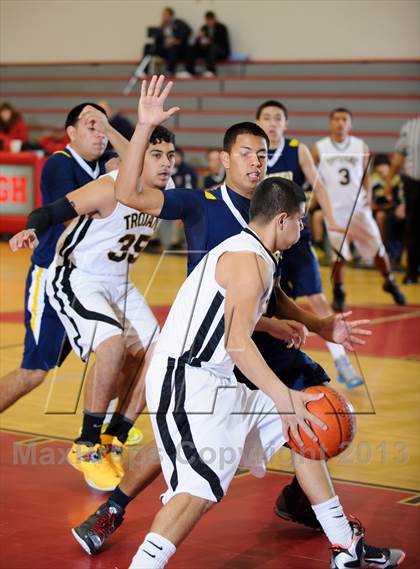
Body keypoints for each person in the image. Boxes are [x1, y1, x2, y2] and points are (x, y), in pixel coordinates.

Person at [72, 76, 377, 556]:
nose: (256, 160)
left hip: (255, 340)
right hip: (210, 347)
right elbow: (130, 195)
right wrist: (143, 128)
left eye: (262, 152)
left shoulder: (275, 208)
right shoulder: (200, 203)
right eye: (246, 152)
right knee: (186, 440)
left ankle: (307, 504)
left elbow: (269, 293)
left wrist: (319, 324)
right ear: (224, 158)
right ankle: (113, 506)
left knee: (315, 405)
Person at [9, 123, 178, 492]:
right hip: (76, 276)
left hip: (120, 282)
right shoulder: (110, 185)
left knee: (160, 354)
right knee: (111, 346)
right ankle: (85, 446)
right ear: (138, 156)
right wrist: (32, 231)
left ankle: (113, 439)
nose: (166, 163)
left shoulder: (169, 192)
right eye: (155, 155)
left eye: (170, 155)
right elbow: (50, 211)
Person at [0, 102, 127, 414]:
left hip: (92, 278)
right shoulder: (60, 164)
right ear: (71, 133)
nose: (99, 134)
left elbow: (140, 164)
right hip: (53, 276)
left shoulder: (109, 162)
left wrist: (117, 149)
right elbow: (73, 218)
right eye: (91, 126)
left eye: (103, 127)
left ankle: (103, 428)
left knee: (124, 352)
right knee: (34, 372)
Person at [256, 100, 363, 389]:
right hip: (264, 242)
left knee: (316, 297)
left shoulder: (297, 149)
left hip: (296, 239)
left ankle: (342, 362)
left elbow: (319, 184)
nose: (273, 123)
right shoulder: (254, 154)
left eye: (278, 118)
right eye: (267, 118)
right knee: (264, 305)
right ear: (258, 123)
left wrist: (330, 220)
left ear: (285, 124)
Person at [312, 108, 406, 310]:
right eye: (336, 119)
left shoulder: (359, 145)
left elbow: (365, 175)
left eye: (344, 119)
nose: (340, 123)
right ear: (330, 123)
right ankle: (339, 291)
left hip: (358, 208)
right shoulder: (319, 148)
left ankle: (389, 281)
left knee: (378, 248)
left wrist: (369, 195)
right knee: (339, 255)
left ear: (350, 124)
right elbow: (313, 176)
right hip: (334, 210)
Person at [384, 116, 420, 284]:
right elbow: (398, 158)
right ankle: (412, 272)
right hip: (414, 183)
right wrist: (389, 182)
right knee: (413, 228)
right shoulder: (410, 126)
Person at [371, 154, 405, 267]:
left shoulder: (398, 179)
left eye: (383, 166)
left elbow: (397, 202)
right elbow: (373, 203)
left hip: (398, 211)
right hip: (383, 211)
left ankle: (395, 254)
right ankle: (383, 251)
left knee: (393, 218)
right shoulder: (374, 180)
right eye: (378, 167)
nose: (380, 169)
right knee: (382, 216)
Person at [143, 7, 192, 77]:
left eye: (166, 15)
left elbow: (187, 32)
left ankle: (169, 70)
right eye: (163, 15)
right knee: (147, 46)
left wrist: (175, 40)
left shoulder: (178, 23)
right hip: (163, 48)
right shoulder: (162, 26)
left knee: (173, 48)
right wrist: (161, 27)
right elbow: (157, 40)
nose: (164, 16)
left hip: (174, 48)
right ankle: (144, 71)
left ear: (171, 15)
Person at [190, 11, 230, 77]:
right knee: (191, 48)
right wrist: (199, 38)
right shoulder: (204, 28)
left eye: (211, 20)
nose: (209, 22)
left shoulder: (222, 28)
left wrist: (208, 41)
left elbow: (222, 42)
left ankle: (211, 70)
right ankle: (190, 71)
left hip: (220, 51)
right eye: (207, 20)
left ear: (215, 19)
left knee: (213, 47)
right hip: (206, 49)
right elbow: (198, 42)